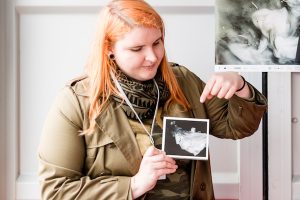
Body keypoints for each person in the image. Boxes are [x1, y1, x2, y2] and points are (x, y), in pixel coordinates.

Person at [37, 0, 267, 199]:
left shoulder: (182, 81)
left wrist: (240, 86)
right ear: (109, 49)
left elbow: (235, 128)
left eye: (157, 42)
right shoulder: (76, 101)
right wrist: (134, 185)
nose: (152, 57)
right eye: (137, 48)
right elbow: (56, 191)